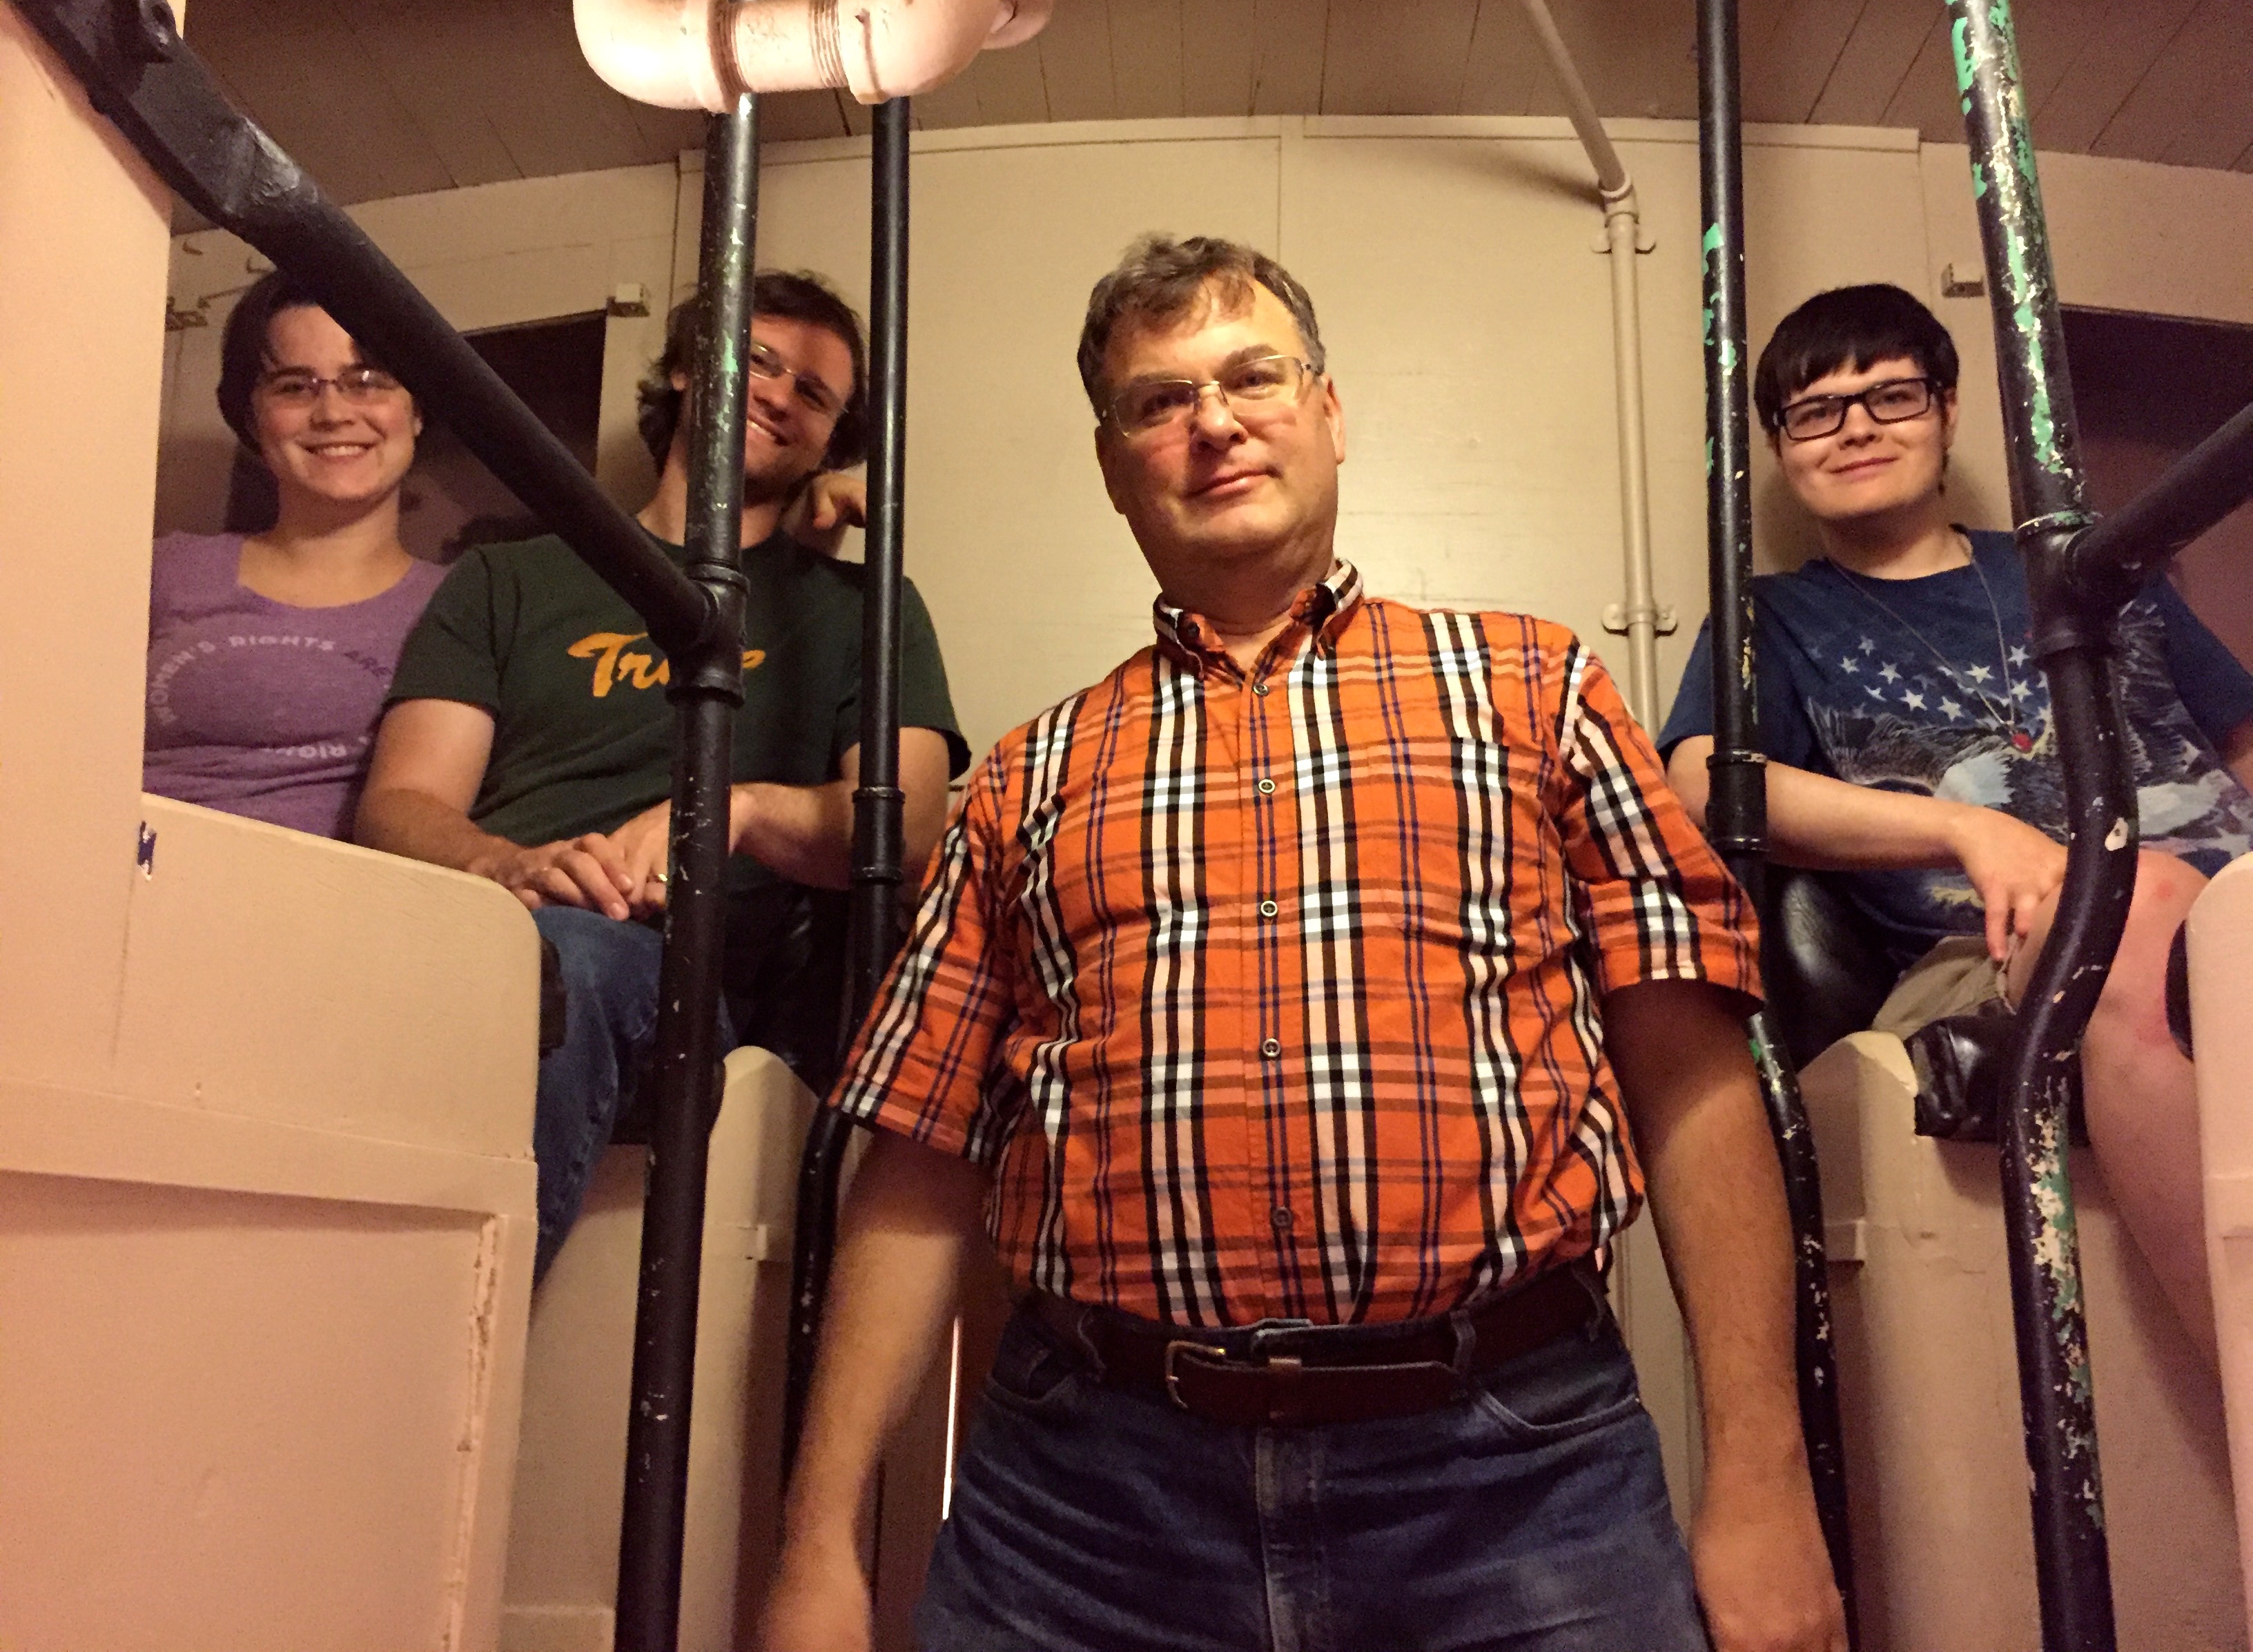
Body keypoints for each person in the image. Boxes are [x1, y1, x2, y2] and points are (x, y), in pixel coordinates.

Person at [761, 235, 1846, 1652]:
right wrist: (816, 1545)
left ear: (1328, 414)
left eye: (1252, 377)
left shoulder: (1538, 685)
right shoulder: (1023, 777)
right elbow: (918, 1155)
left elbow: (1691, 1072)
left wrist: (1762, 1476)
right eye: (1159, 401)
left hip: (1516, 1483)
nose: (1212, 422)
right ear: (1113, 468)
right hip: (1087, 1509)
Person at [1658, 282, 2253, 1366]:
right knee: (2138, 905)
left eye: (1890, 395)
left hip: (2234, 908)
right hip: (1994, 947)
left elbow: (2241, 735)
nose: (1856, 429)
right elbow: (1702, 779)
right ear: (1781, 449)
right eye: (1816, 411)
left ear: (1947, 409)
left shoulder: (2089, 567)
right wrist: (1967, 834)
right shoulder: (1773, 618)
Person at [356, 272, 968, 1277]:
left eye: (814, 392)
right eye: (755, 360)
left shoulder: (863, 607)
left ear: (833, 439)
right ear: (686, 367)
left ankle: (411, 1352)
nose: (777, 394)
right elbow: (400, 803)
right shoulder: (511, 577)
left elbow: (902, 832)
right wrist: (507, 866)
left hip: (669, 978)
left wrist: (740, 811)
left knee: (574, 961)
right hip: (466, 932)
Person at [145, 273, 444, 839]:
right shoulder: (166, 571)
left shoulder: (468, 604)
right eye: (293, 387)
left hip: (332, 890)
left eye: (367, 381)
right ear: (252, 420)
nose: (333, 413)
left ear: (417, 411)